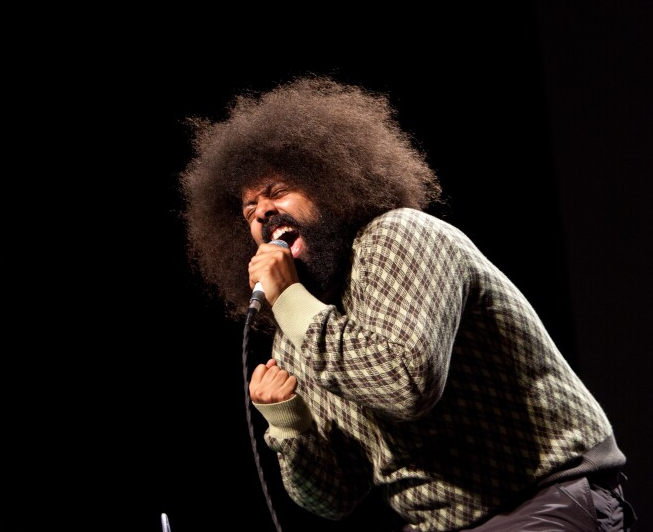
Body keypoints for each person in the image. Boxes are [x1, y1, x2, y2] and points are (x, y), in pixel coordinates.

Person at [177, 74, 637, 531]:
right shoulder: (296, 329)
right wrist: (290, 423)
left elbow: (405, 383)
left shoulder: (398, 236)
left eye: (277, 192)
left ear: (331, 183)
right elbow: (335, 497)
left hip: (544, 493)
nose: (262, 212)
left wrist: (291, 300)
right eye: (249, 209)